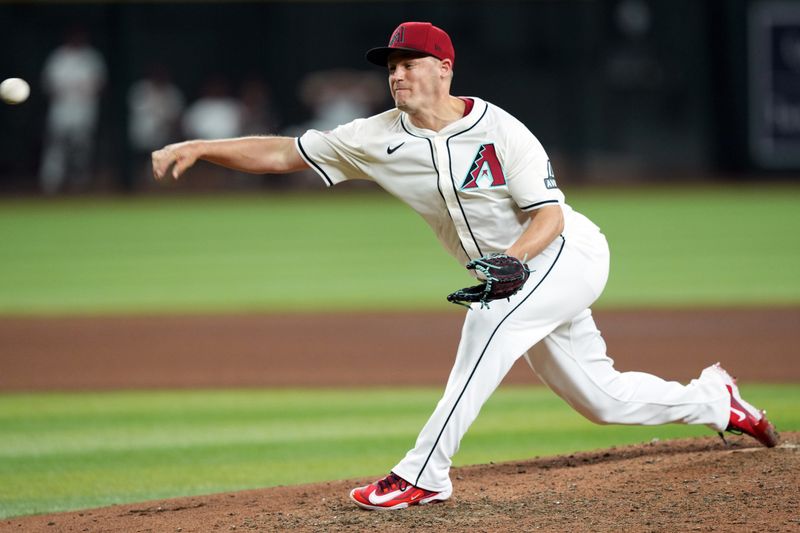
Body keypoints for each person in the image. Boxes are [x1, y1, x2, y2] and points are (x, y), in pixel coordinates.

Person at [152, 22, 778, 511]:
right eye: (391, 65)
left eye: (409, 63)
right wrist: (203, 146)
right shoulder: (373, 137)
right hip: (516, 274)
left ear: (444, 69)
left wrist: (511, 262)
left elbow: (549, 217)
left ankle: (424, 474)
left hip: (567, 254)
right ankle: (717, 402)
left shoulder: (502, 130)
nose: (397, 74)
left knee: (489, 323)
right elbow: (283, 152)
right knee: (602, 399)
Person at [39, 27, 106, 194]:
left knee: (81, 148)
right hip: (61, 109)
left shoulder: (91, 58)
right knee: (56, 147)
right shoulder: (58, 57)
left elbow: (100, 85)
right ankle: (50, 183)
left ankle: (79, 184)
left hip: (84, 109)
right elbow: (48, 86)